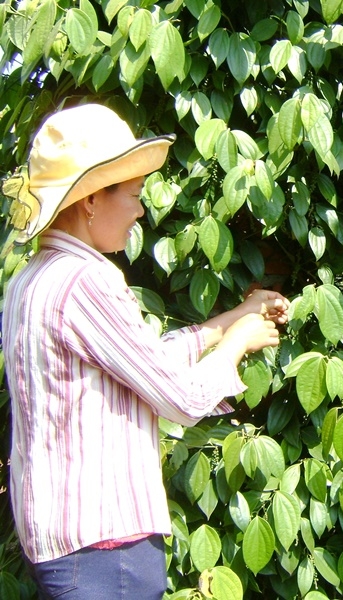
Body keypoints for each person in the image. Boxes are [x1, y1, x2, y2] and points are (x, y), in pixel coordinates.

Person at [2, 103, 290, 599]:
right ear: (91, 200)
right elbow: (178, 398)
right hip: (106, 552)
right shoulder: (87, 281)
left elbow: (140, 362)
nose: (139, 211)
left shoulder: (33, 279)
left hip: (67, 546)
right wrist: (240, 343)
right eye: (132, 196)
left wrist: (227, 322)